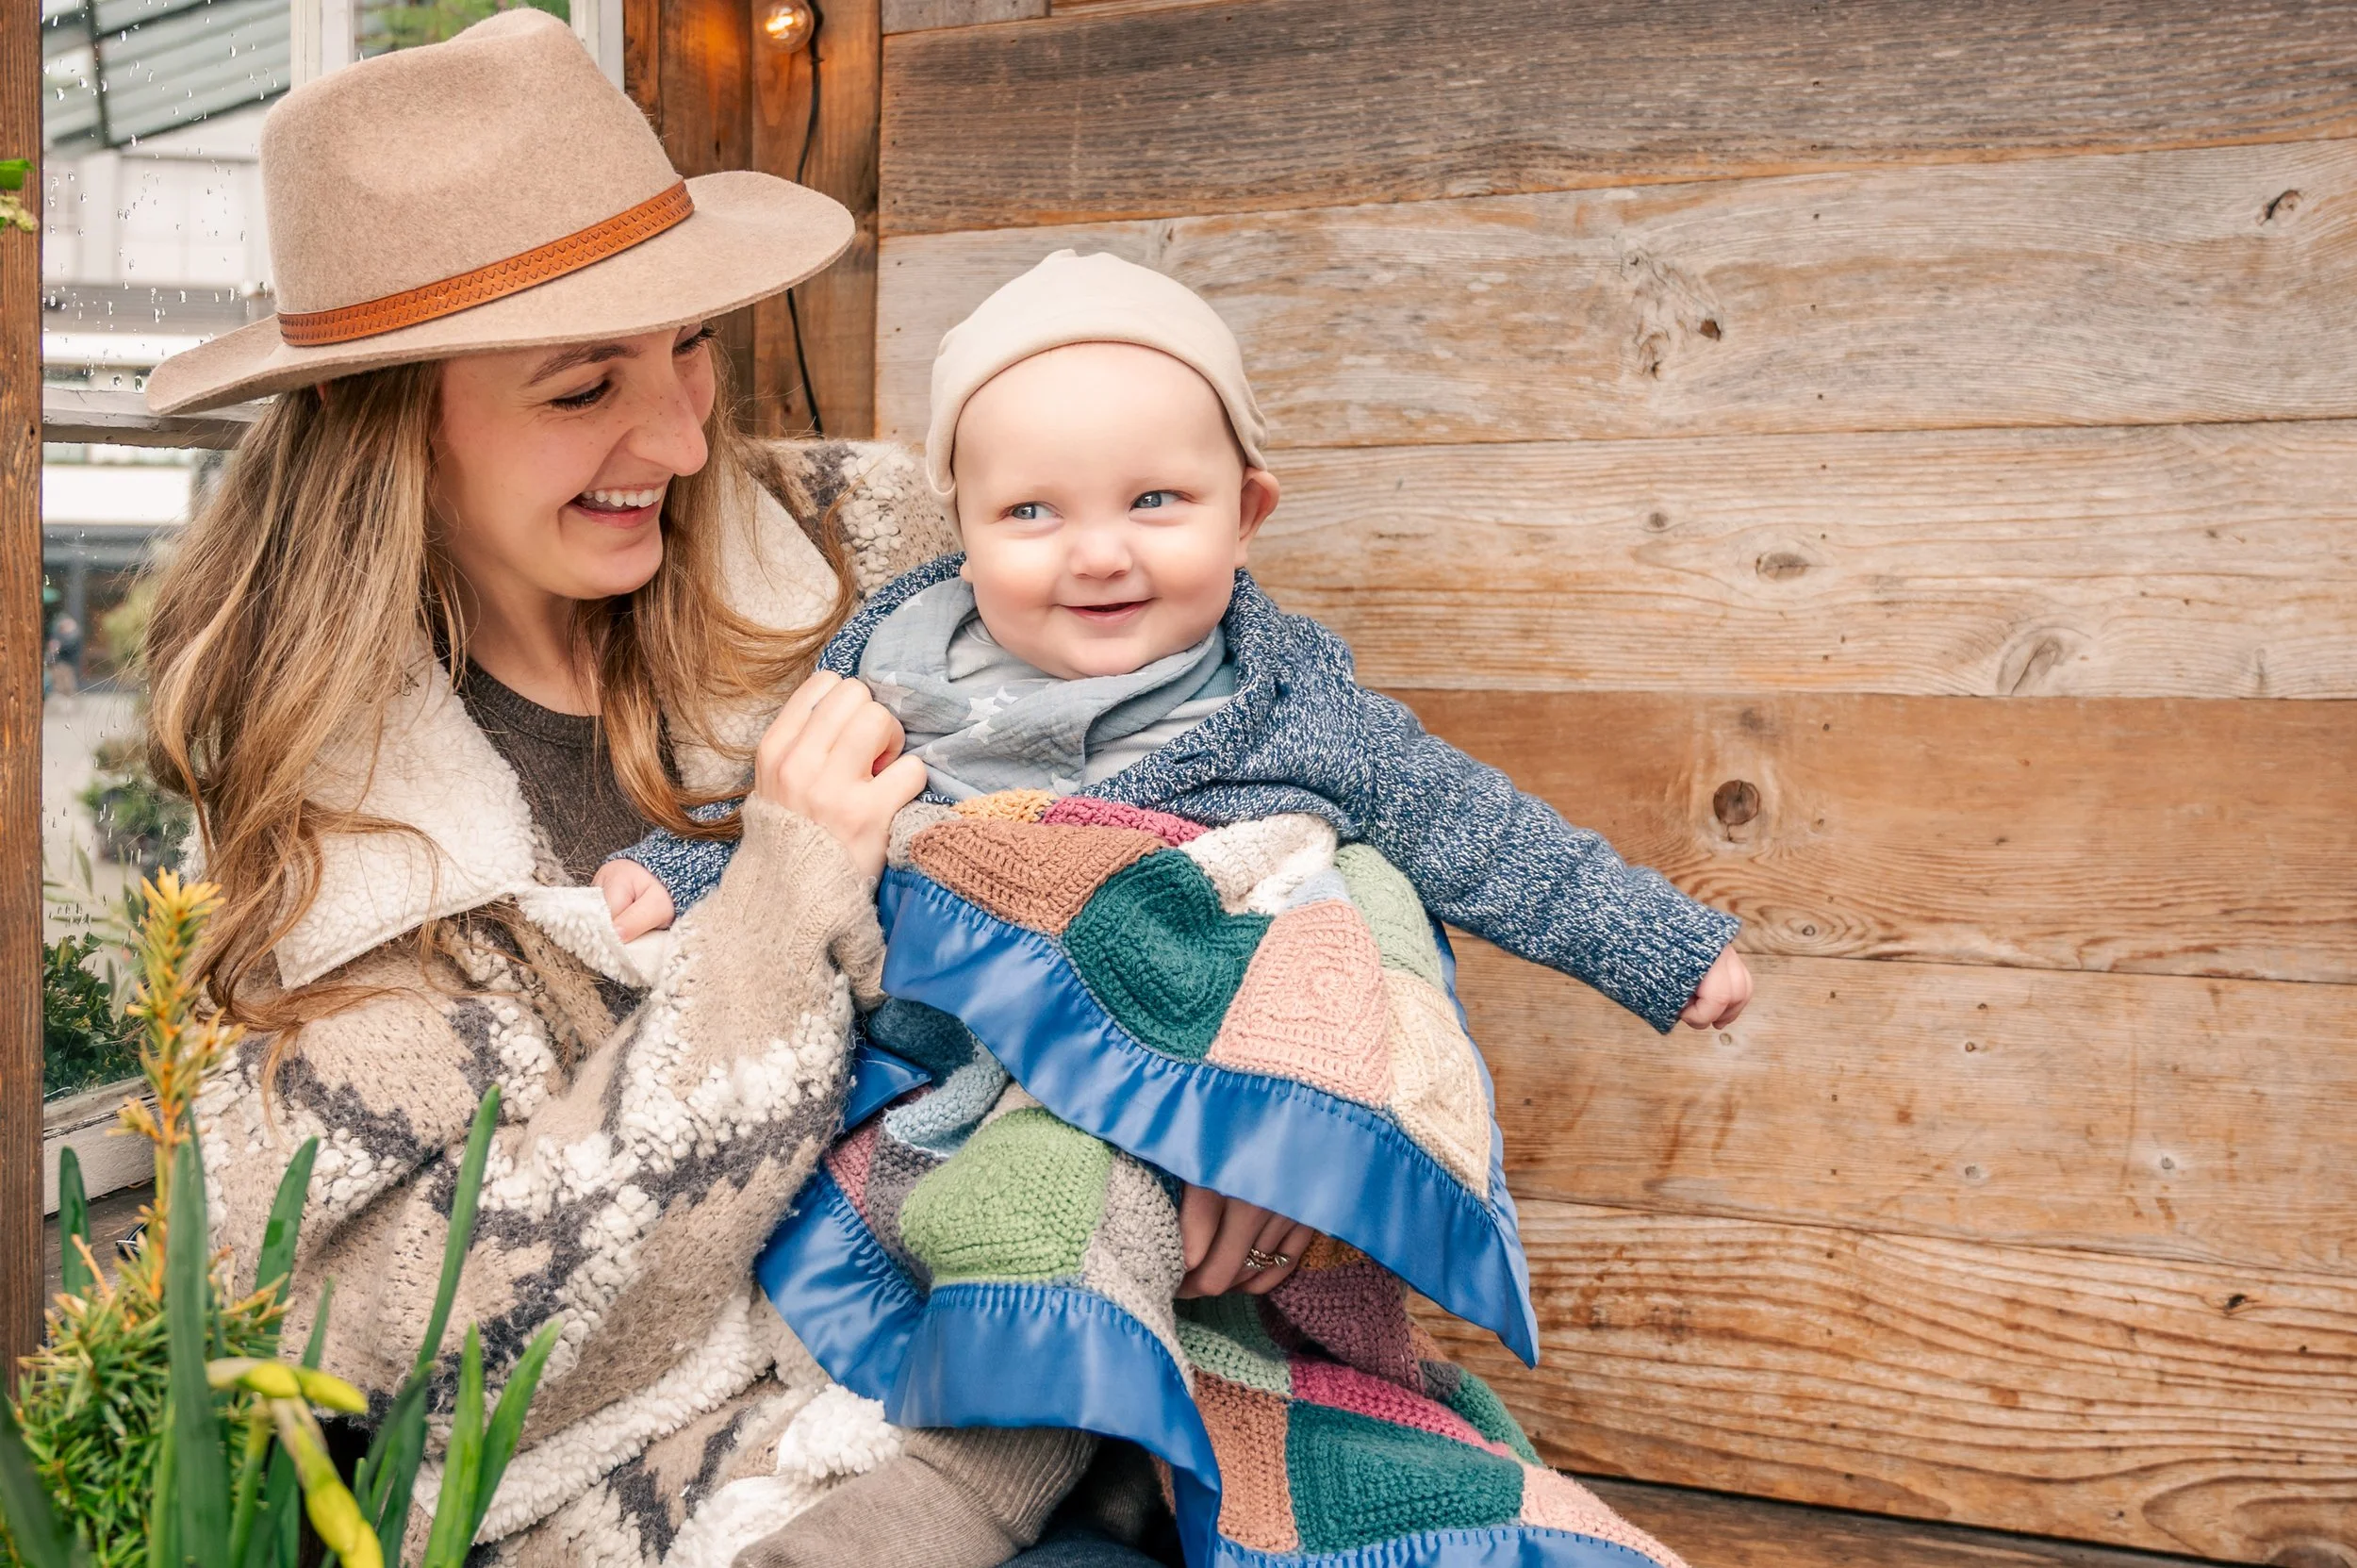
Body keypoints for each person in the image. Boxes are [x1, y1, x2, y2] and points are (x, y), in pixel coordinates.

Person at [140, 14, 1244, 1565]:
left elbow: (1243, 756)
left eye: (691, 344)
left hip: (1112, 1360)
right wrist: (780, 915)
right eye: (584, 384)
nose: (680, 433)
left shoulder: (885, 539)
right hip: (716, 1494)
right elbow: (424, 1348)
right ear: (383, 421)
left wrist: (1269, 1127)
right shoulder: (319, 836)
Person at [595, 251, 1754, 1563]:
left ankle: (962, 1499)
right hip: (945, 1087)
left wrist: (1662, 946)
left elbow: (1482, 833)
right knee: (1016, 1192)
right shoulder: (897, 669)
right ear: (958, 520)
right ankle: (965, 1476)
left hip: (1171, 1103)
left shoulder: (1292, 707)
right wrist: (679, 874)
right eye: (1032, 512)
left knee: (1076, 1190)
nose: (1099, 554)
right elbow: (794, 819)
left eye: (1156, 498)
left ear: (1246, 509)